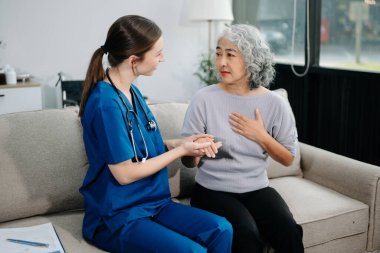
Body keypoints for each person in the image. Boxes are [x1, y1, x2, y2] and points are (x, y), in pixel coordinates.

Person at [78, 15, 232, 253]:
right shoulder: (105, 104)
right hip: (118, 216)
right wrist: (181, 151)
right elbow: (125, 174)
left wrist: (181, 143)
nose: (163, 57)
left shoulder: (132, 92)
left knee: (221, 228)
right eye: (158, 53)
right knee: (193, 252)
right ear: (133, 60)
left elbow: (140, 146)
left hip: (153, 203)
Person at [181, 24, 304, 253]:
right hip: (212, 190)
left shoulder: (274, 103)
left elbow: (288, 158)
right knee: (246, 236)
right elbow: (188, 161)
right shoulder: (203, 99)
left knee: (289, 232)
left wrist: (261, 137)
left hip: (257, 187)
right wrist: (194, 153)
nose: (221, 62)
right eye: (218, 53)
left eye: (230, 55)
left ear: (251, 59)